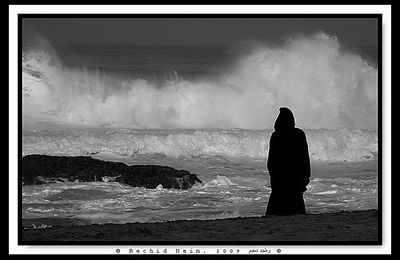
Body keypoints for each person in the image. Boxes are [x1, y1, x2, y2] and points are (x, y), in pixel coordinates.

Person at [265, 107, 311, 215]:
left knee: (277, 201)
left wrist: (272, 173)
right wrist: (306, 175)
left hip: (279, 176)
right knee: (296, 201)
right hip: (295, 175)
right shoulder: (299, 134)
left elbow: (271, 158)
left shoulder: (276, 135)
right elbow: (304, 157)